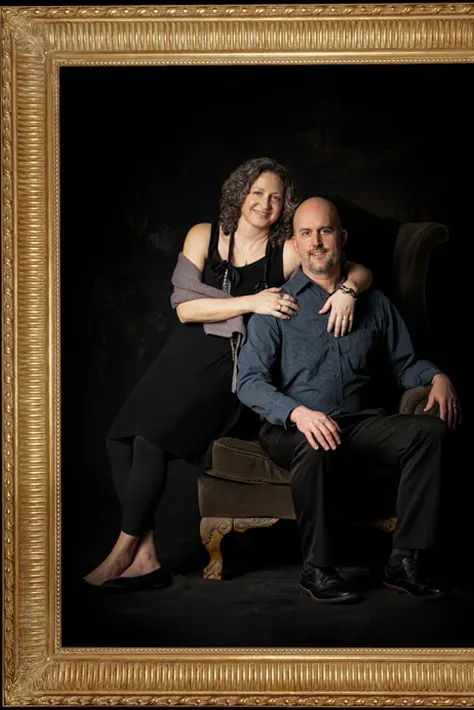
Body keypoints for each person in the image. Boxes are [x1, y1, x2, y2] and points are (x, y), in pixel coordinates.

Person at [84, 159, 374, 591]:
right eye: (257, 192)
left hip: (233, 362)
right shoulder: (204, 235)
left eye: (276, 197)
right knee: (119, 439)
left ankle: (123, 550)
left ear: (284, 207)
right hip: (184, 351)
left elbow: (352, 268)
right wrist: (253, 301)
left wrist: (350, 292)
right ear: (238, 193)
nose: (264, 203)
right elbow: (184, 308)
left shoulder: (289, 251)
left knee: (149, 441)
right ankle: (145, 559)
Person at [236, 196, 461, 604]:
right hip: (293, 427)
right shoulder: (276, 306)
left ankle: (404, 561)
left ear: (341, 237)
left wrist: (436, 376)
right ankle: (317, 569)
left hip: (360, 422)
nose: (316, 242)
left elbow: (404, 362)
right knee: (315, 439)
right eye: (306, 233)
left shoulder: (374, 303)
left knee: (429, 430)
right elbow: (249, 382)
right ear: (296, 244)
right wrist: (298, 413)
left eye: (324, 231)